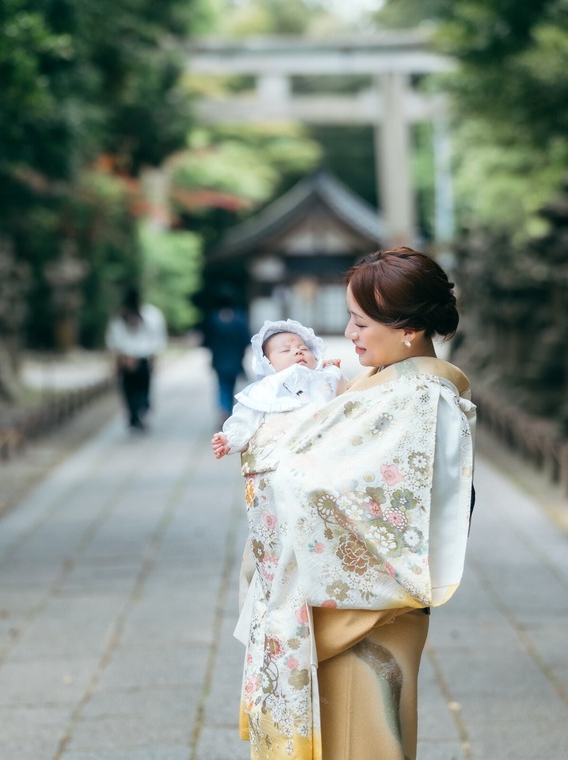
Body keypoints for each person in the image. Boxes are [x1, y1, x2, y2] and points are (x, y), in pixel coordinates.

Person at [234, 247, 477, 760]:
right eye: (350, 318)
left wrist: (272, 453)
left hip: (364, 610)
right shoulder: (379, 382)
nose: (349, 334)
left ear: (408, 327)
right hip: (345, 602)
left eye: (361, 322)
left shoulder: (416, 398)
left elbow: (326, 488)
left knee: (362, 738)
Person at [211, 319, 346, 460]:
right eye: (286, 350)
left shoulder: (323, 375)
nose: (298, 351)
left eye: (304, 348)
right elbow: (247, 416)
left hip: (326, 442)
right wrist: (232, 439)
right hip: (287, 451)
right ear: (267, 363)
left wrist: (333, 369)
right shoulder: (267, 387)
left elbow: (345, 390)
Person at [105, 286, 167, 431]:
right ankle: (140, 414)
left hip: (126, 359)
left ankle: (134, 416)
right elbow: (157, 339)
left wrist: (119, 358)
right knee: (142, 389)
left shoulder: (120, 316)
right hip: (142, 358)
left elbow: (114, 340)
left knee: (129, 390)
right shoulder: (151, 314)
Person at [201, 288, 252, 424]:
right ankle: (228, 410)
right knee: (231, 386)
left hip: (219, 360)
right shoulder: (239, 319)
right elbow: (246, 340)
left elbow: (207, 341)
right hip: (235, 360)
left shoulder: (213, 319)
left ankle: (223, 409)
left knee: (222, 386)